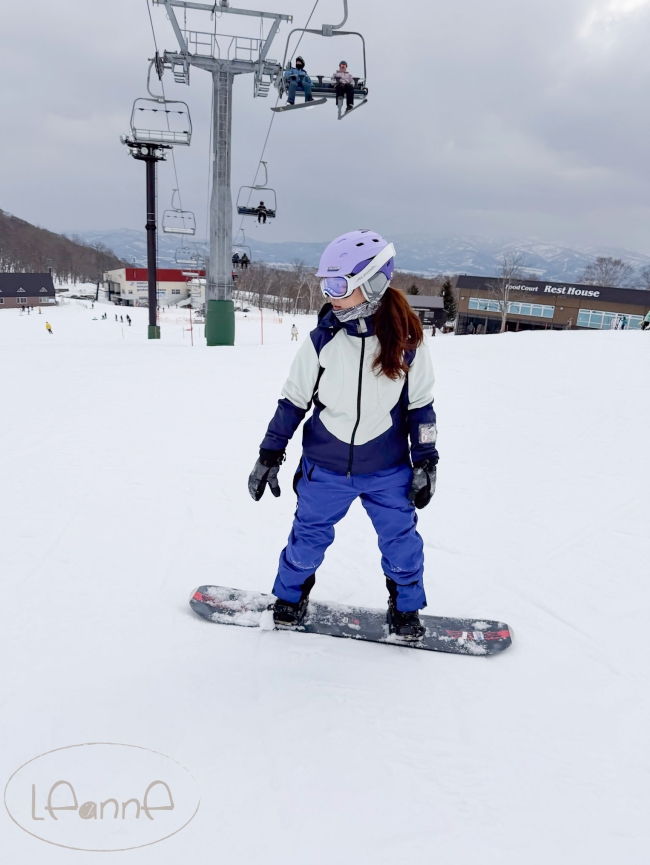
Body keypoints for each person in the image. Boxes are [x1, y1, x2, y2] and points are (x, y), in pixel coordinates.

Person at [248, 230, 439, 640]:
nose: (330, 295)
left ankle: (405, 609)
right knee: (306, 540)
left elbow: (420, 406)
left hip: (387, 469)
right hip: (326, 467)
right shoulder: (324, 339)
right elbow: (293, 401)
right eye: (326, 285)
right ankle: (290, 597)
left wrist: (426, 460)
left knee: (402, 544)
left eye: (338, 285)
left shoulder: (408, 342)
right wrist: (270, 452)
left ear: (372, 284)